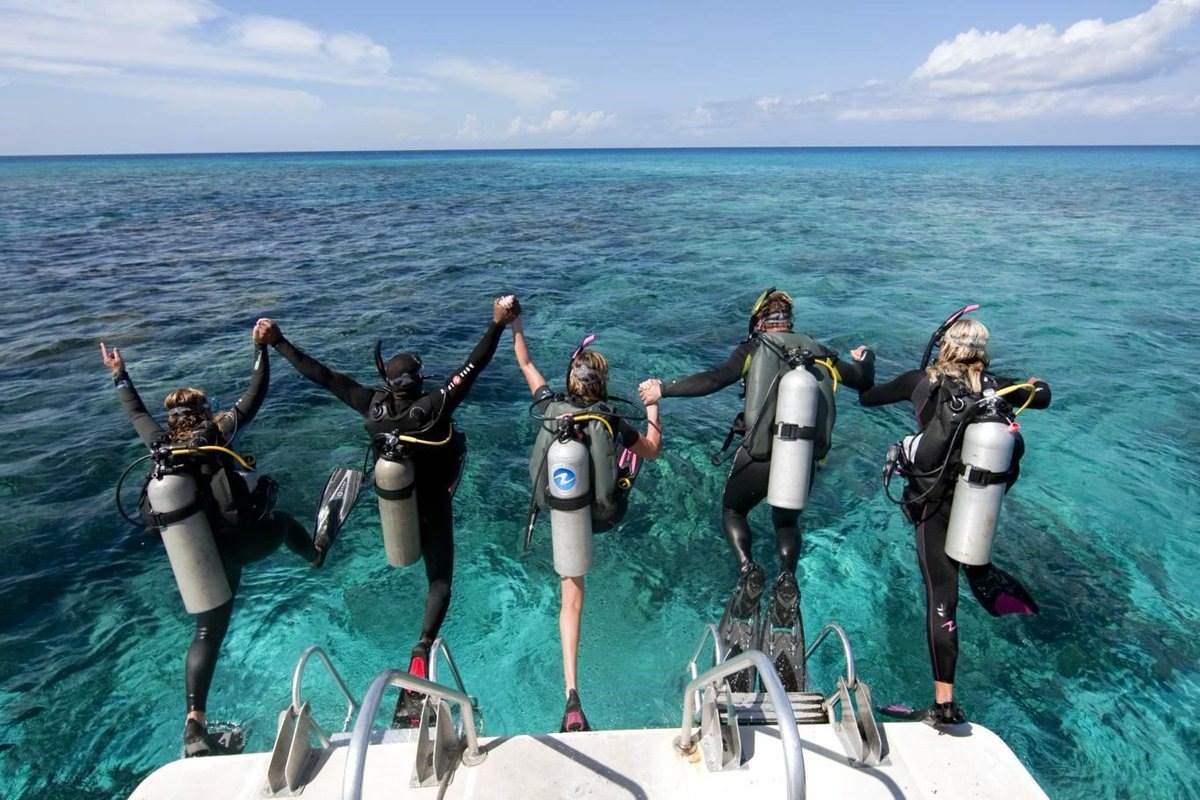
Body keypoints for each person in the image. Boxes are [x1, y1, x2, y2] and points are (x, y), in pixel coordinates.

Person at [254, 296, 519, 726]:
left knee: (379, 502)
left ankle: (317, 548)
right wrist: (497, 324)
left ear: (389, 383)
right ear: (418, 380)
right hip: (433, 502)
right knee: (440, 581)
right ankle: (422, 646)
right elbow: (474, 364)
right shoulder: (435, 405)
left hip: (392, 505)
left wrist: (279, 341)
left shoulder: (370, 405)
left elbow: (322, 375)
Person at [100, 329, 323, 758]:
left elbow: (136, 412)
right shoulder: (219, 432)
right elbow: (256, 393)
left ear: (172, 420)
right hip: (233, 547)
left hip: (195, 556)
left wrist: (120, 374)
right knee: (281, 524)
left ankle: (194, 725)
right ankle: (315, 556)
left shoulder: (160, 446)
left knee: (206, 633)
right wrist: (260, 349)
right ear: (203, 412)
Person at [638, 288, 873, 689]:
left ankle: (748, 568)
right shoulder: (820, 353)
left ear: (760, 321)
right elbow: (863, 382)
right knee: (787, 523)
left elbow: (715, 379)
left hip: (758, 459)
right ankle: (787, 578)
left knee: (734, 511)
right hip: (800, 460)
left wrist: (665, 389)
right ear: (789, 320)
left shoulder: (752, 348)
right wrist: (866, 360)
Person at [859, 314, 1051, 726]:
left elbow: (868, 397)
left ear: (946, 344)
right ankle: (981, 570)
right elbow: (1043, 395)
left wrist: (866, 362)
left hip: (933, 504)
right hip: (976, 497)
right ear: (982, 349)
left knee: (941, 598)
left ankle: (944, 705)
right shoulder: (997, 388)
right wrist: (1035, 383)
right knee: (963, 567)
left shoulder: (920, 381)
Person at [511, 310, 662, 732]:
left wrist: (514, 324)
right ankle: (616, 470)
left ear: (570, 381)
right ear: (602, 385)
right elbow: (653, 448)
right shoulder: (610, 418)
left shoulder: (549, 407)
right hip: (604, 514)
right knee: (632, 458)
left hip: (564, 515)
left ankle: (571, 695)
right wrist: (653, 407)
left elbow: (525, 363)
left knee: (571, 602)